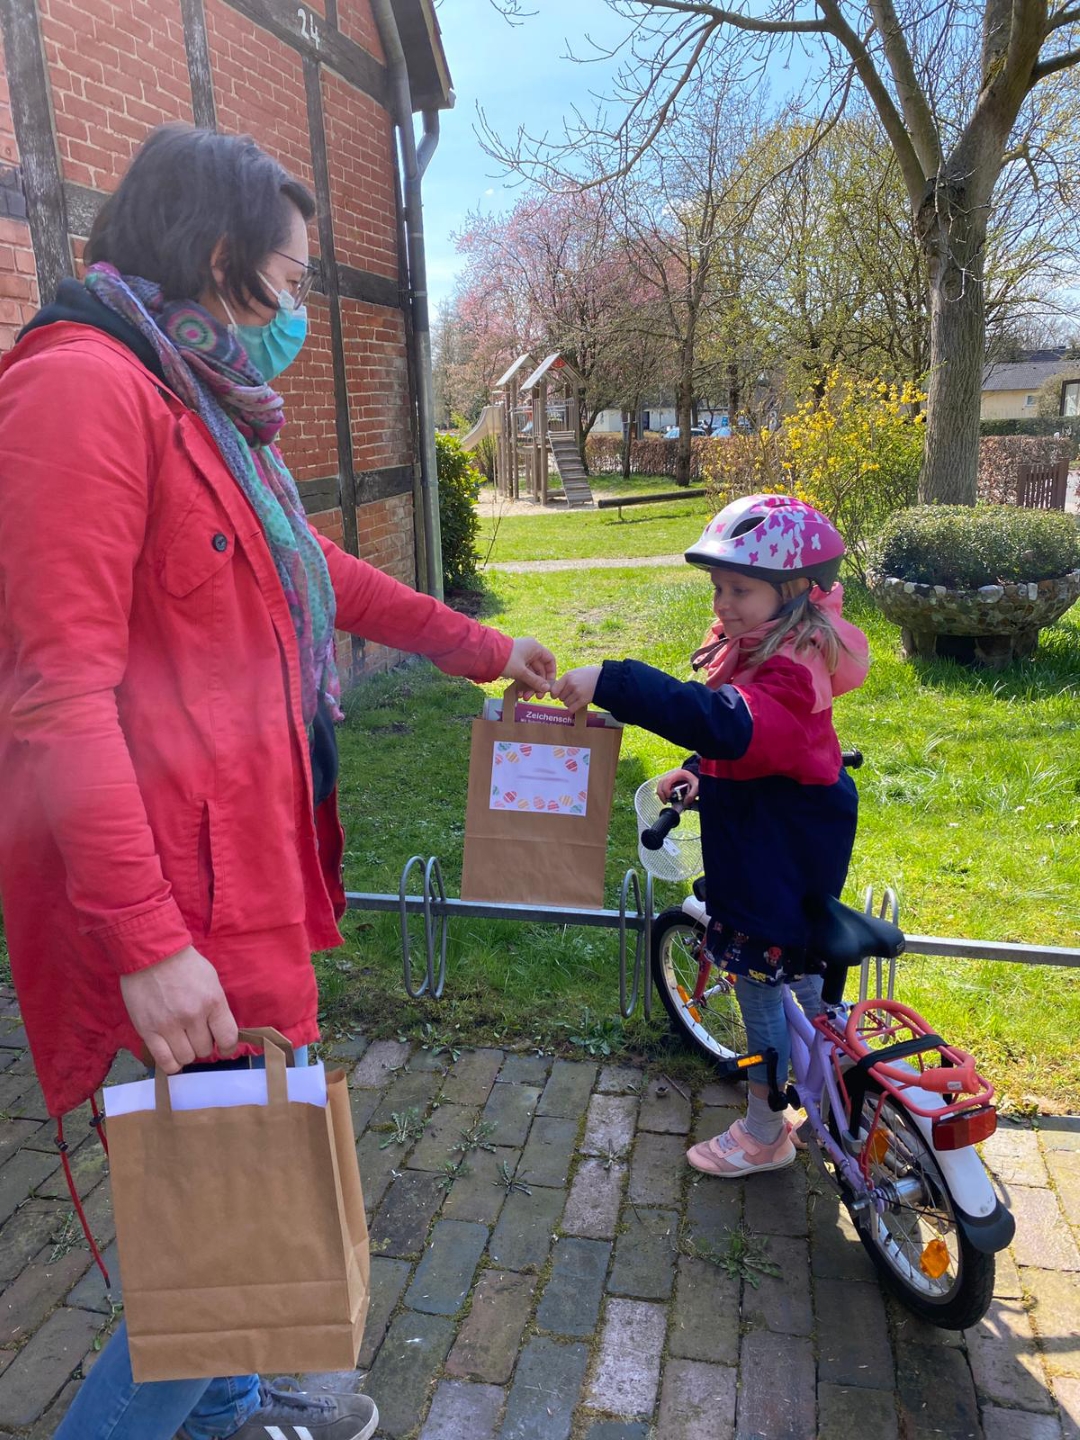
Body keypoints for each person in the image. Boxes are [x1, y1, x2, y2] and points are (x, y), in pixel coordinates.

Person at [0, 124, 556, 1440]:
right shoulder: (83, 390)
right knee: (222, 1252)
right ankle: (211, 1401)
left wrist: (489, 651)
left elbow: (319, 569)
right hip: (171, 916)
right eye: (294, 278)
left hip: (238, 888)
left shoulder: (199, 403)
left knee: (238, 1196)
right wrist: (148, 946)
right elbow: (55, 698)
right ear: (219, 257)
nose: (302, 308)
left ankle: (242, 1411)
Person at [552, 493, 869, 1178]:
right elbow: (757, 747)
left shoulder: (787, 673)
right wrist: (702, 773)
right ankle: (832, 1088)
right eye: (718, 588)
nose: (723, 604)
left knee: (758, 987)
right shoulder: (786, 650)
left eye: (740, 589)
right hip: (789, 839)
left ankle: (765, 1131)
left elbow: (729, 722)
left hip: (772, 859)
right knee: (803, 972)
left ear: (796, 590)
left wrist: (613, 680)